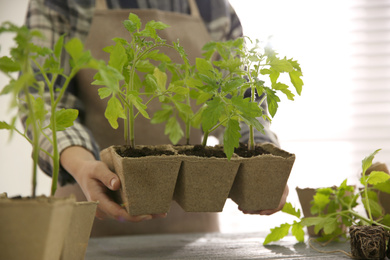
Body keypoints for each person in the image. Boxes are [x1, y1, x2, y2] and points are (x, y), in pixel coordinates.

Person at [24, 0, 288, 236]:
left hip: (191, 226)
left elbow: (241, 102)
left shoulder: (215, 8)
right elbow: (42, 100)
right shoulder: (62, 3)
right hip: (90, 218)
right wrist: (83, 166)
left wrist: (264, 160)